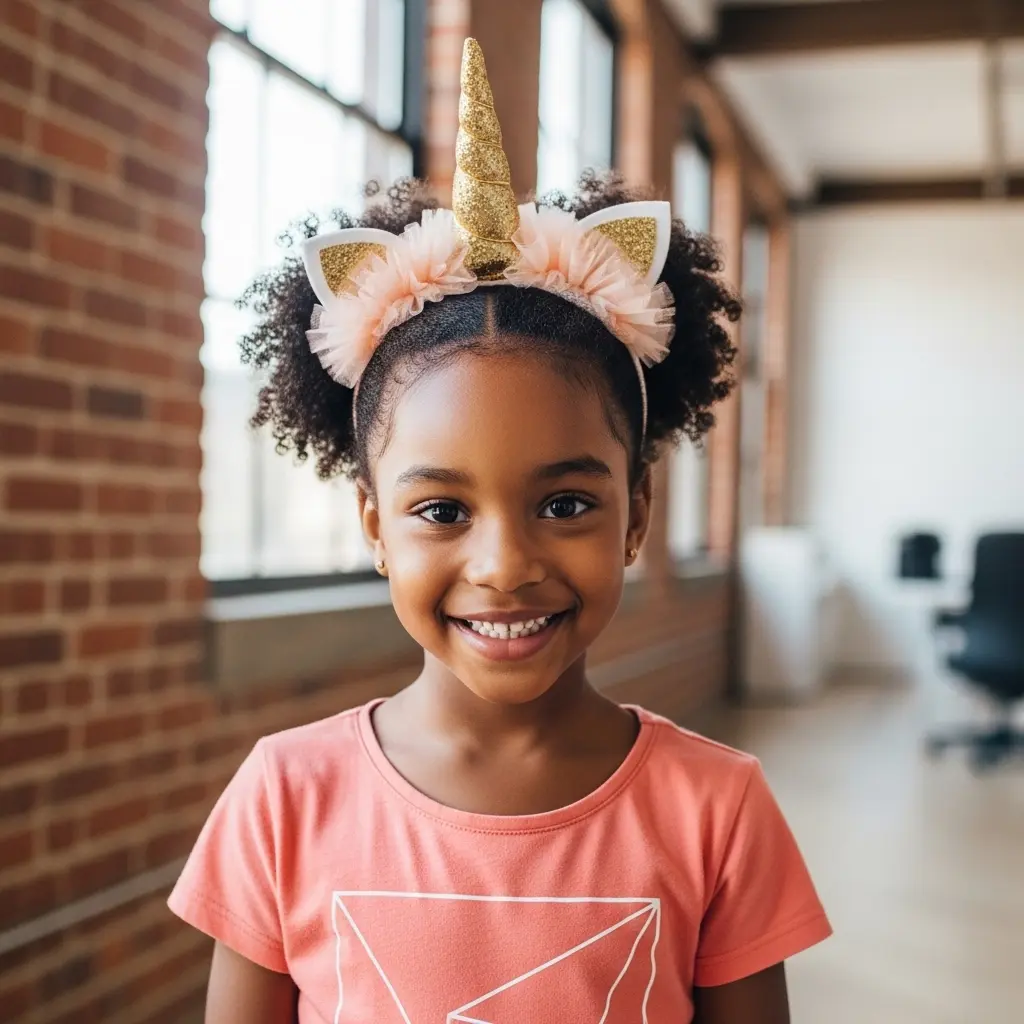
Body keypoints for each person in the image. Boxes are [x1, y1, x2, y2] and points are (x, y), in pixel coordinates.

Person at [170, 37, 830, 1024]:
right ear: (375, 525)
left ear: (637, 514)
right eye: (441, 509)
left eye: (565, 504)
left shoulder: (718, 812)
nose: (505, 564)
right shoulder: (282, 797)